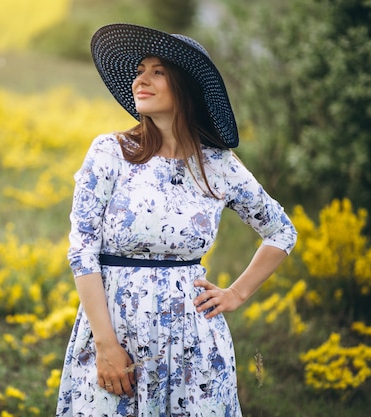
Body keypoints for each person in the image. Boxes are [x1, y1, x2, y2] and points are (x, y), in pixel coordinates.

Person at [56, 23, 297, 416]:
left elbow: (281, 230)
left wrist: (236, 294)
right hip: (116, 335)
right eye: (139, 71)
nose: (141, 80)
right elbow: (82, 250)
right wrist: (105, 345)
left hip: (194, 344)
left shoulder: (218, 166)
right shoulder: (111, 152)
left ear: (184, 87)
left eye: (157, 72)